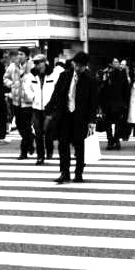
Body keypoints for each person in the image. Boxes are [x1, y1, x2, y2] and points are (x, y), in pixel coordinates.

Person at [45, 52, 98, 184]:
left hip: (81, 118)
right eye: (76, 65)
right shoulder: (65, 76)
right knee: (63, 145)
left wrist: (92, 121)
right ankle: (65, 173)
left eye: (80, 66)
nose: (77, 68)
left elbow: (93, 103)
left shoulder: (90, 80)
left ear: (85, 66)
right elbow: (56, 94)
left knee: (80, 147)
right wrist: (49, 109)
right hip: (65, 116)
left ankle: (78, 173)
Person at [24, 54, 61, 164]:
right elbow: (27, 89)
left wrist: (53, 103)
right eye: (35, 63)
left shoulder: (54, 74)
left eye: (39, 62)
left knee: (48, 131)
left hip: (49, 108)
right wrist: (33, 97)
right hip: (36, 107)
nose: (37, 65)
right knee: (38, 133)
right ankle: (40, 156)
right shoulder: (31, 75)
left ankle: (49, 150)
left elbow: (57, 89)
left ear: (45, 62)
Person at [6, 47, 34, 158]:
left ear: (27, 56)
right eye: (18, 54)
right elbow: (5, 78)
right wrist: (12, 85)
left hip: (28, 101)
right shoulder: (12, 66)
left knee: (26, 125)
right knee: (19, 125)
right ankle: (30, 139)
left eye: (22, 54)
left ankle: (24, 151)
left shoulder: (32, 66)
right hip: (16, 100)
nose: (19, 56)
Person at [99, 58, 130, 150]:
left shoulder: (122, 74)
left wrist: (125, 103)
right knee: (108, 124)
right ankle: (110, 140)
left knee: (118, 124)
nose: (116, 64)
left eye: (117, 62)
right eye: (115, 62)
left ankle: (116, 140)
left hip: (119, 104)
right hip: (108, 104)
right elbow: (102, 89)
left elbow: (126, 90)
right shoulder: (107, 74)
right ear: (112, 64)